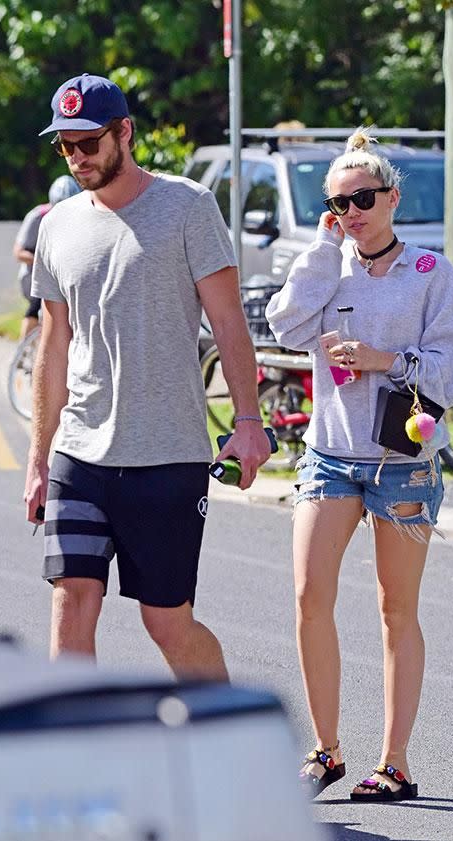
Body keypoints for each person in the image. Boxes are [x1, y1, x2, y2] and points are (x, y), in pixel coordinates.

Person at [24, 73, 270, 675]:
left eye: (89, 143)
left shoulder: (187, 206)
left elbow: (229, 322)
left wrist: (248, 421)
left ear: (124, 132)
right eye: (66, 146)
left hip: (168, 454)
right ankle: (78, 759)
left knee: (166, 621)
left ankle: (223, 728)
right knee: (71, 599)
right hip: (79, 453)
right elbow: (54, 346)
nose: (77, 157)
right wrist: (38, 457)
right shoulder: (57, 225)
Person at [266, 128, 453, 801]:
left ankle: (397, 761)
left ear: (392, 197)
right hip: (329, 455)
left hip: (402, 461)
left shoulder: (430, 274)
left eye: (361, 199)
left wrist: (384, 359)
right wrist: (322, 247)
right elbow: (286, 326)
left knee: (395, 608)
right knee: (307, 594)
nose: (350, 212)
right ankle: (324, 750)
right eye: (337, 204)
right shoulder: (329, 265)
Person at [13, 175, 81, 339]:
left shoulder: (81, 217)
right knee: (37, 304)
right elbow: (18, 252)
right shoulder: (37, 217)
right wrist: (43, 261)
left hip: (63, 275)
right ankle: (23, 349)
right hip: (34, 275)